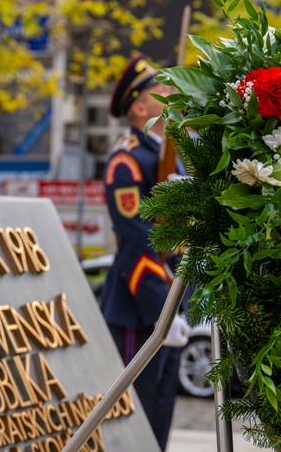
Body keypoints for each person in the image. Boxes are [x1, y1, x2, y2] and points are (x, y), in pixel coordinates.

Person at [101, 53, 183, 452]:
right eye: (160, 88)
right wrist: (160, 312)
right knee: (136, 422)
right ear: (139, 106)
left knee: (159, 421)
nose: (170, 91)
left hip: (168, 304)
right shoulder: (127, 162)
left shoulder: (168, 155)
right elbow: (136, 240)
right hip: (140, 310)